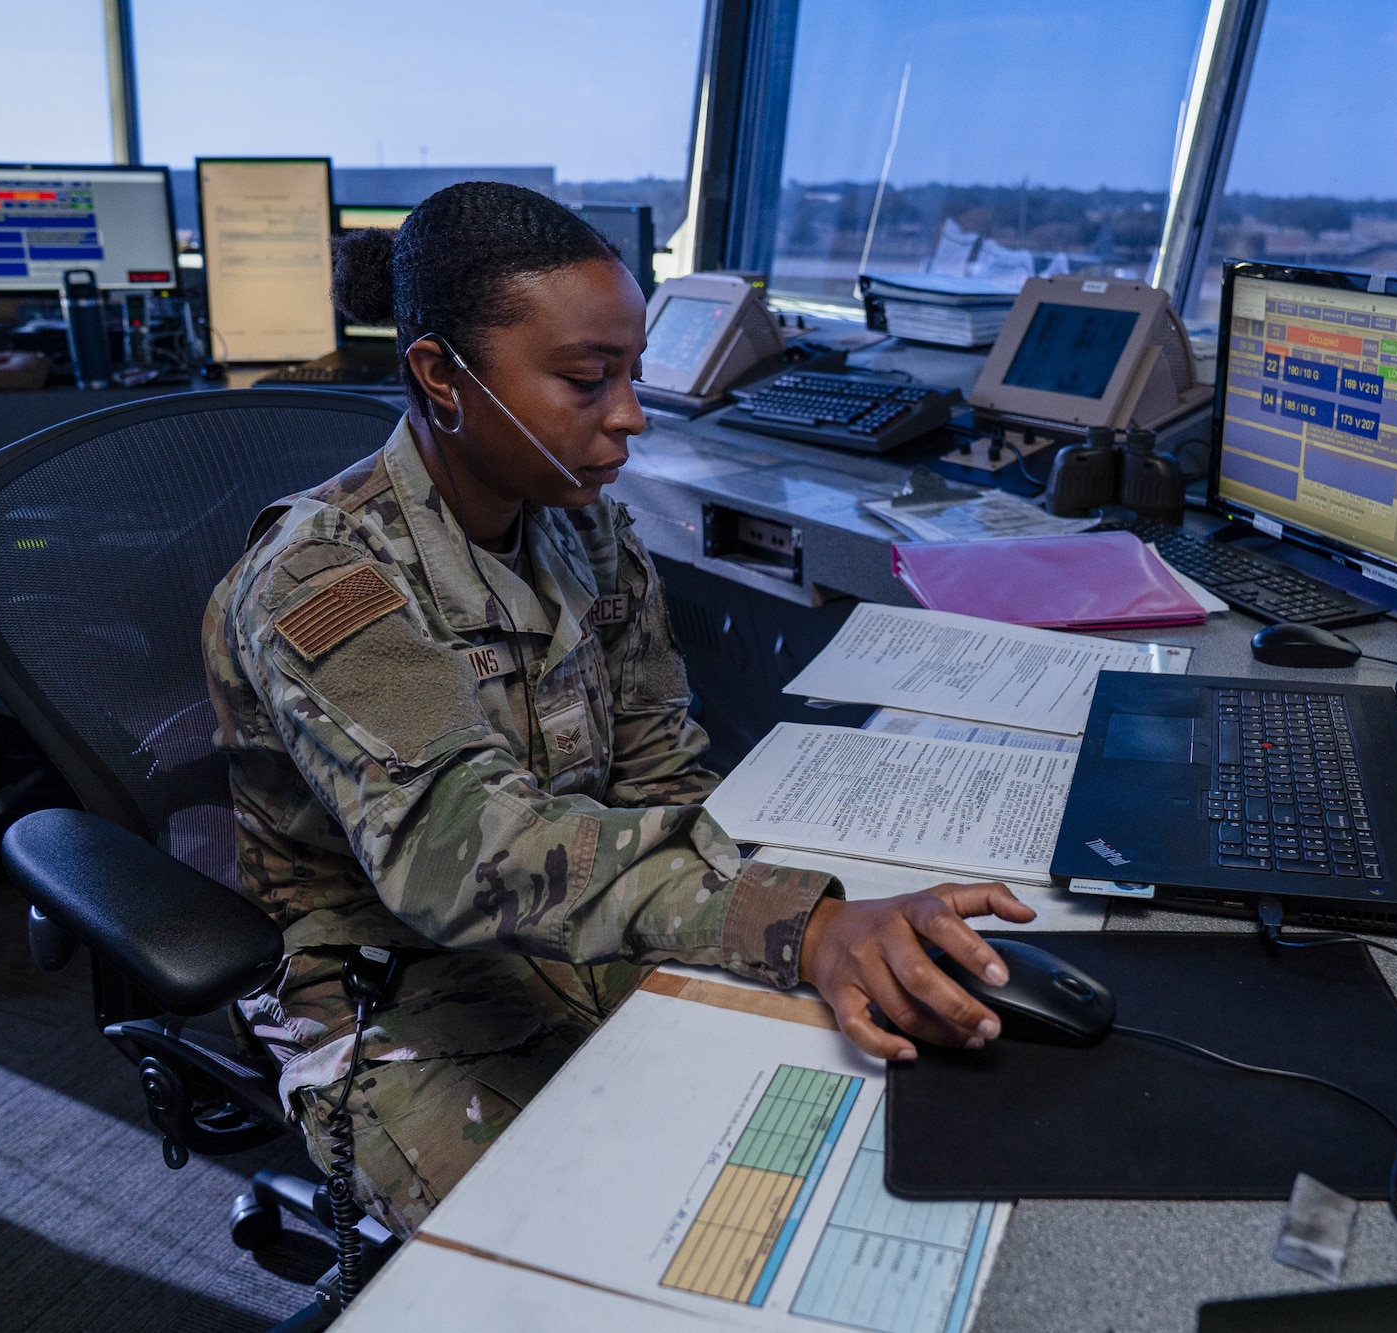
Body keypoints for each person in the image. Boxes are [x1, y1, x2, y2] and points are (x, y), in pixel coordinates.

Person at [202, 182, 1033, 1236]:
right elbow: (456, 851)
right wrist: (794, 921)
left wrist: (805, 916)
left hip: (577, 921)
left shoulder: (584, 530)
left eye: (631, 374)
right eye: (588, 381)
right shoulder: (327, 577)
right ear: (439, 378)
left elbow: (658, 773)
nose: (630, 416)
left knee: (817, 1121)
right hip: (392, 979)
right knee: (586, 1243)